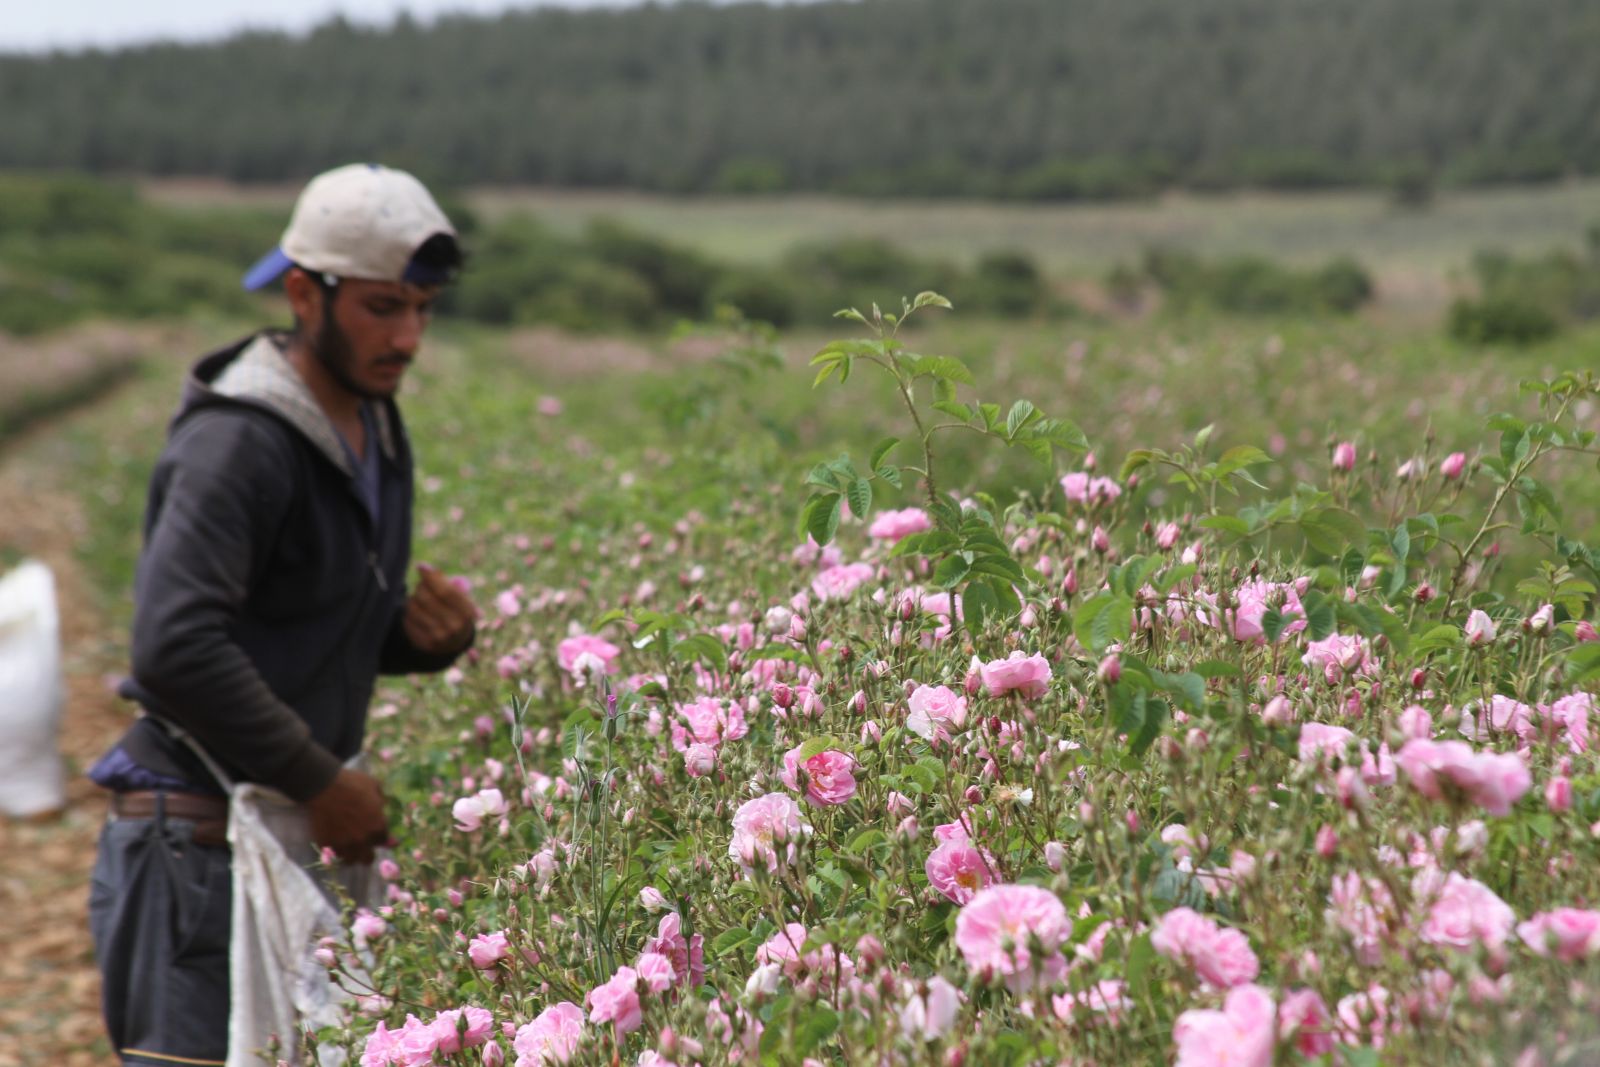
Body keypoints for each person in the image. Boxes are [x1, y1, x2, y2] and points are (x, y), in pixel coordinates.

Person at [87, 163, 479, 1067]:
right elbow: (175, 645)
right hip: (192, 843)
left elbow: (300, 623)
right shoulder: (241, 441)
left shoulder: (371, 427)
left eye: (422, 308)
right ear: (306, 292)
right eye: (383, 307)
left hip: (267, 827)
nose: (409, 335)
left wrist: (424, 642)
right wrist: (322, 779)